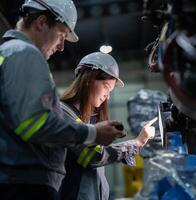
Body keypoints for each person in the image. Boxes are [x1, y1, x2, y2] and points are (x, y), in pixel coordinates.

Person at [0, 0, 125, 199]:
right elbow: (34, 123)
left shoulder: (9, 53)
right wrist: (93, 133)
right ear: (41, 22)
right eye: (61, 35)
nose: (61, 47)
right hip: (25, 185)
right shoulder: (24, 53)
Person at [58, 51, 157, 200]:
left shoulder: (86, 120)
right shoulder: (63, 113)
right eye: (105, 86)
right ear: (88, 80)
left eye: (110, 91)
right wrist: (137, 143)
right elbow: (93, 156)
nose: (107, 96)